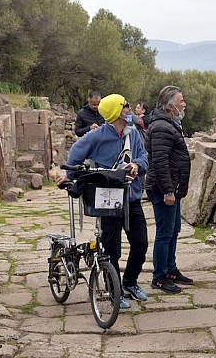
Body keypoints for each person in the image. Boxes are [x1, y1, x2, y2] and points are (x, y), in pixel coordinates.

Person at [57, 94, 149, 308]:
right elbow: (76, 154)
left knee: (141, 244)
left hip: (131, 196)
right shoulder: (97, 136)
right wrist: (70, 175)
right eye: (126, 106)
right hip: (108, 199)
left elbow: (144, 156)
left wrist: (136, 164)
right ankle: (113, 289)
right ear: (117, 112)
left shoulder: (133, 134)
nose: (129, 109)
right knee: (111, 248)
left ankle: (130, 282)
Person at [145, 86, 193, 293]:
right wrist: (167, 190)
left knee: (173, 231)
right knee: (164, 233)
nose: (184, 105)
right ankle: (160, 277)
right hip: (164, 188)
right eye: (181, 101)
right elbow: (160, 161)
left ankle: (171, 270)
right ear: (171, 106)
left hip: (173, 186)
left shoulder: (170, 124)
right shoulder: (162, 128)